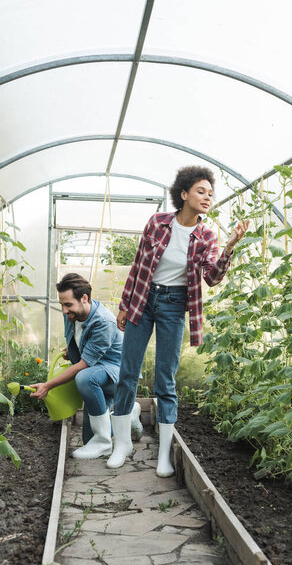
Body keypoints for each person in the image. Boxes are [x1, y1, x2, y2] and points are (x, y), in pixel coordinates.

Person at [107, 166, 249, 476]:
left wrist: (229, 247)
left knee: (165, 381)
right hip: (143, 300)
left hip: (174, 305)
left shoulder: (206, 236)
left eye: (210, 194)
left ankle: (163, 456)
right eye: (201, 191)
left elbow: (211, 277)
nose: (207, 197)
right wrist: (125, 305)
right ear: (183, 194)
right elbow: (138, 266)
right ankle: (121, 445)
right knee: (127, 373)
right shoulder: (157, 223)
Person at [30, 273, 143, 460]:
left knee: (84, 377)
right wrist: (75, 348)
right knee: (87, 439)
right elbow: (85, 342)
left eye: (68, 304)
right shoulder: (74, 314)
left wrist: (48, 385)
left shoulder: (103, 321)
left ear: (84, 298)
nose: (64, 310)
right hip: (99, 373)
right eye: (62, 304)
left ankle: (104, 443)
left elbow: (84, 365)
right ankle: (129, 416)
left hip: (119, 375)